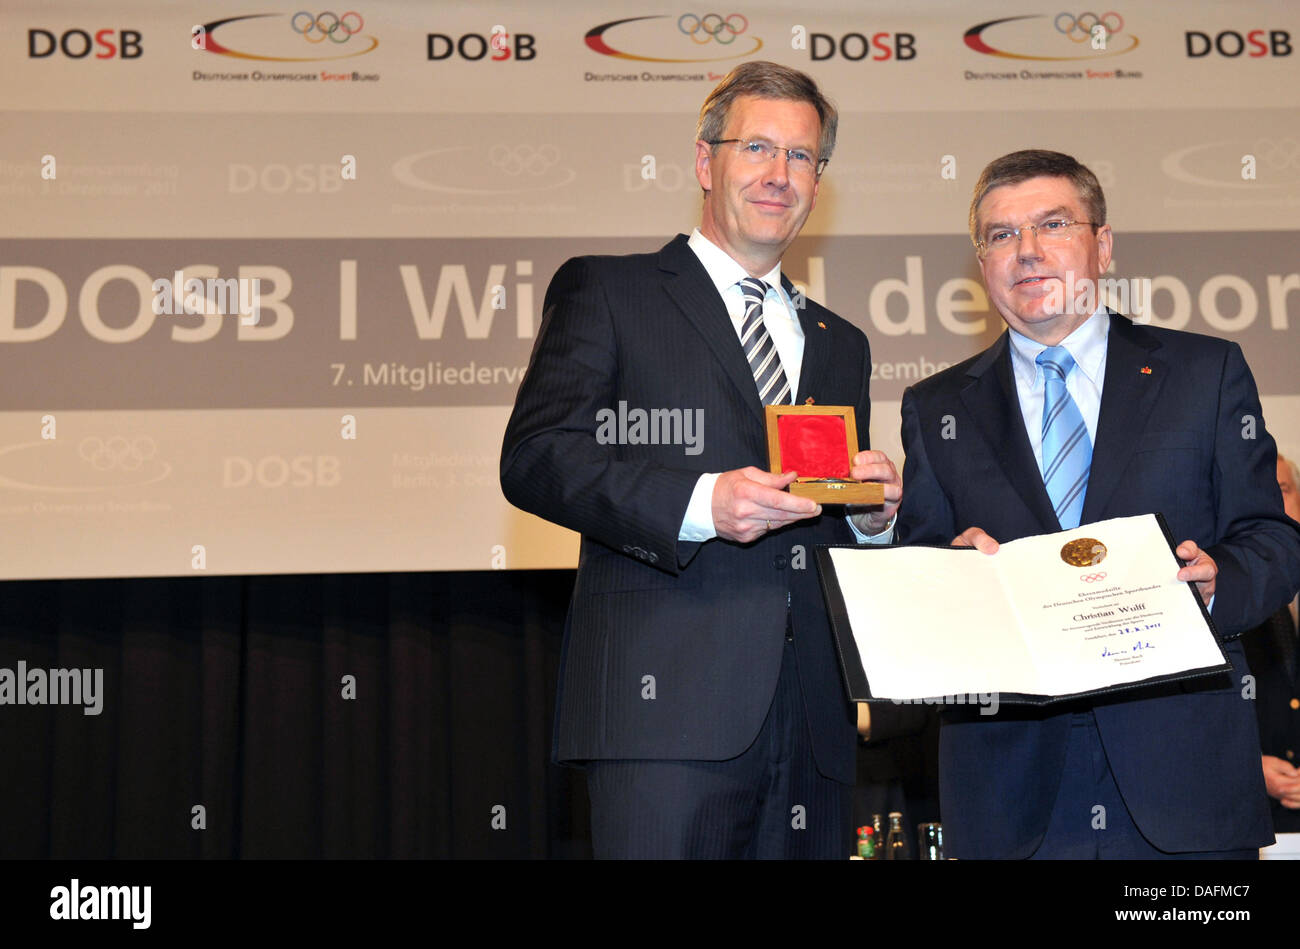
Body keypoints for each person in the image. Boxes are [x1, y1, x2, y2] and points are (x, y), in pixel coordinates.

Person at [500, 62, 900, 858]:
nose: (779, 174)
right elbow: (537, 456)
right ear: (703, 161)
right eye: (757, 147)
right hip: (665, 716)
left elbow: (820, 511)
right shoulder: (610, 292)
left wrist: (875, 516)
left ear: (819, 181)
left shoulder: (840, 341)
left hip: (814, 724)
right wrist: (700, 502)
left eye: (802, 157)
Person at [896, 149, 1300, 859]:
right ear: (981, 263)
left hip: (1183, 784)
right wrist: (951, 577)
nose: (1026, 251)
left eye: (1052, 224)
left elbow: (1272, 537)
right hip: (1010, 796)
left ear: (1102, 245)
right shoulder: (935, 408)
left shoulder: (1205, 374)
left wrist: (1218, 581)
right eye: (1000, 235)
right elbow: (919, 571)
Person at [1241, 454, 1300, 832]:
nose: (1276, 505)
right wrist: (1246, 766)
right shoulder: (1211, 594)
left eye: (1283, 490)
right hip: (1250, 822)